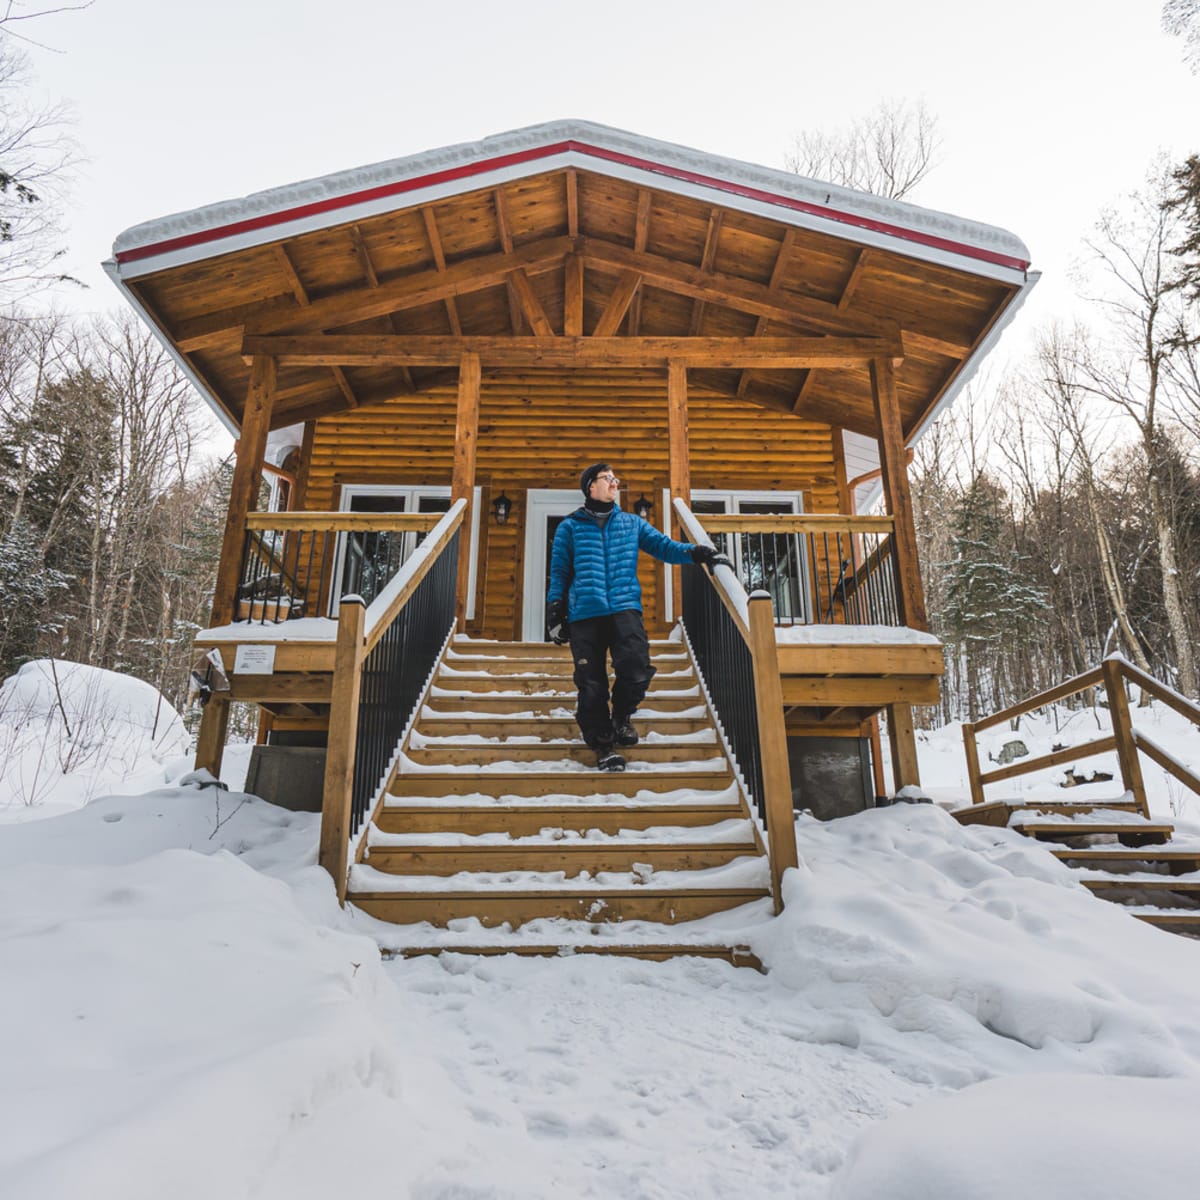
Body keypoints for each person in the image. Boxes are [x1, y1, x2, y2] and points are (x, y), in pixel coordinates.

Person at [546, 462, 726, 771]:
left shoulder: (631, 523)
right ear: (591, 486)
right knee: (591, 684)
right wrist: (555, 612)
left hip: (624, 608)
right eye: (608, 479)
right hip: (585, 614)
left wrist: (698, 553)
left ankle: (621, 717)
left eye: (616, 479)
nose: (615, 483)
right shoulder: (570, 527)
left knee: (637, 667)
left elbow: (664, 547)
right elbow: (560, 572)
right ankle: (604, 746)